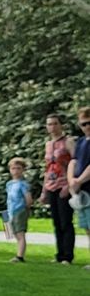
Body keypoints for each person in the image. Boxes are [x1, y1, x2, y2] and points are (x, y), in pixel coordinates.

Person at [41, 113, 76, 265]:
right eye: (49, 124)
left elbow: (75, 163)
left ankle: (68, 255)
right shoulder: (48, 144)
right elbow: (47, 168)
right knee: (56, 222)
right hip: (51, 185)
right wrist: (44, 191)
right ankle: (59, 253)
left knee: (65, 221)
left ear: (61, 125)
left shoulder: (68, 142)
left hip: (64, 185)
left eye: (55, 123)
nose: (52, 127)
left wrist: (70, 184)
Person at [68, 106, 90, 270]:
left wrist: (79, 180)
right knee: (86, 226)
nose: (87, 126)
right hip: (81, 191)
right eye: (83, 124)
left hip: (87, 187)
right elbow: (73, 162)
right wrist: (71, 181)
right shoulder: (81, 142)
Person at [5, 158, 33, 263]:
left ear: (23, 170)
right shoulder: (9, 184)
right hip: (11, 210)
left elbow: (28, 198)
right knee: (14, 232)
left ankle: (20, 256)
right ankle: (19, 251)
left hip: (20, 210)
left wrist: (26, 208)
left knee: (20, 233)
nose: (16, 171)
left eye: (18, 168)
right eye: (13, 168)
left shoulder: (23, 184)